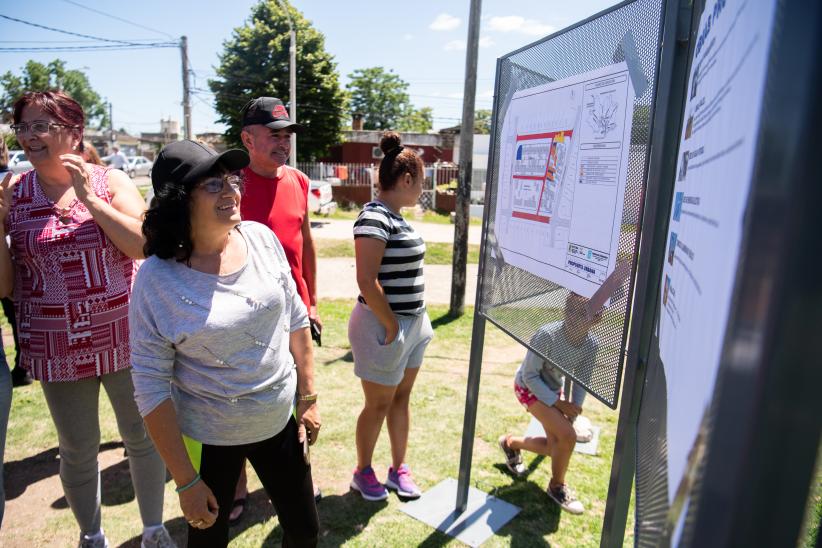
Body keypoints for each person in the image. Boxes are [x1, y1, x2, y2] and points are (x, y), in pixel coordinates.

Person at [0, 91, 173, 548]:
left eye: (42, 125)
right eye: (24, 127)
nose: (30, 136)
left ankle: (153, 530)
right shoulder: (14, 193)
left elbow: (142, 246)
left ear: (74, 132)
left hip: (124, 335)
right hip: (56, 344)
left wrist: (89, 201)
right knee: (77, 448)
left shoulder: (110, 180)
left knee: (142, 435)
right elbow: (3, 285)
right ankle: (90, 536)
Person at [130, 140, 320, 547]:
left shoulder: (260, 238)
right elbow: (149, 385)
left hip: (279, 422)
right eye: (213, 185)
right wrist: (185, 481)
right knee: (207, 542)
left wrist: (308, 396)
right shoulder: (156, 279)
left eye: (231, 180)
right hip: (207, 439)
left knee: (304, 532)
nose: (231, 190)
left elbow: (295, 316)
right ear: (179, 201)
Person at [232, 96, 322, 521]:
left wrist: (314, 300)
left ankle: (299, 478)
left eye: (287, 135)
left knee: (300, 398)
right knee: (240, 400)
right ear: (248, 138)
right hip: (244, 316)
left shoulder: (299, 181)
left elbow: (305, 245)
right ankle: (235, 484)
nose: (283, 143)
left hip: (295, 315)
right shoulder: (230, 184)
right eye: (274, 135)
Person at [348, 131, 433, 501]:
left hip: (411, 324)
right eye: (422, 183)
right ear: (408, 179)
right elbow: (367, 280)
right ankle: (362, 471)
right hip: (384, 326)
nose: (423, 192)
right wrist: (391, 323)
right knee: (378, 403)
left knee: (401, 399)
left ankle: (398, 470)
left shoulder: (395, 216)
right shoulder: (374, 216)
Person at [497, 292, 601, 515]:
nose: (573, 317)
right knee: (568, 437)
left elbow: (581, 380)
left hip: (552, 391)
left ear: (596, 318)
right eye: (570, 309)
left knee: (557, 447)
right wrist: (559, 404)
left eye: (582, 313)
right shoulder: (547, 335)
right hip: (527, 387)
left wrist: (574, 409)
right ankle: (557, 486)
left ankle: (510, 443)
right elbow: (529, 376)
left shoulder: (591, 345)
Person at [0, 139, 30, 388]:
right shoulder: (15, 180)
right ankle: (23, 365)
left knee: (15, 316)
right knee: (15, 318)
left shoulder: (12, 181)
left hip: (11, 264)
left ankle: (23, 365)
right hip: (11, 263)